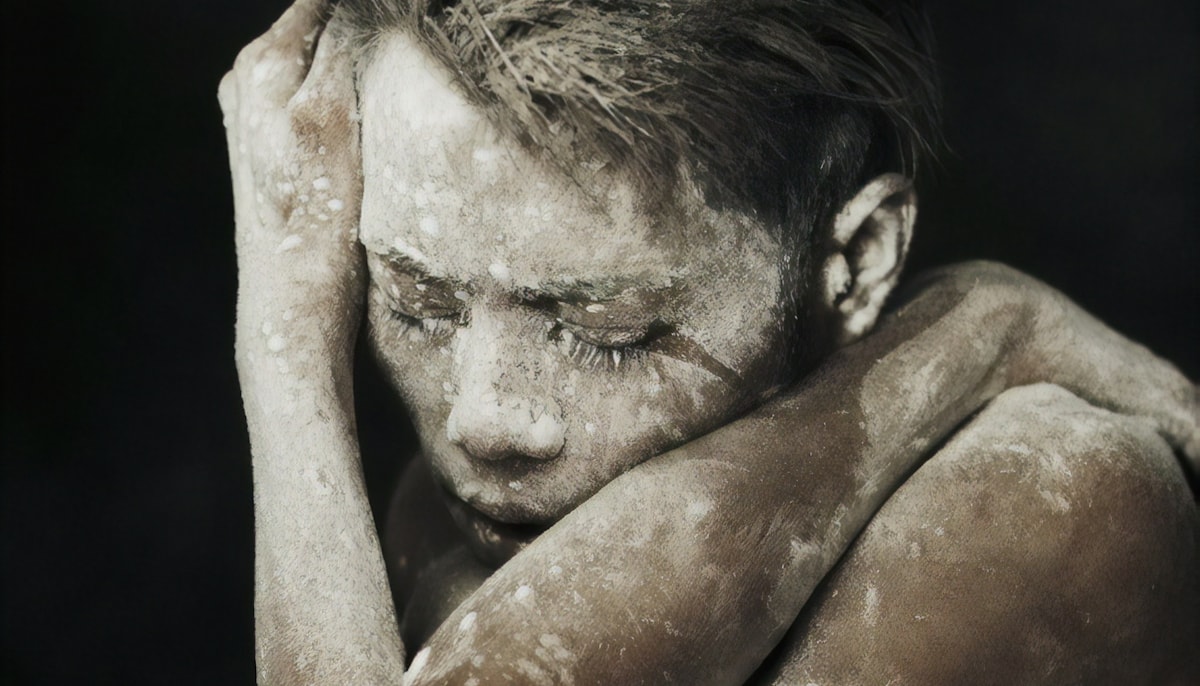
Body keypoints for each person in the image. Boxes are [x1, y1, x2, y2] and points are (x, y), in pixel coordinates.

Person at [220, 0, 1199, 683]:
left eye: (606, 331)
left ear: (854, 261)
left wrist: (287, 346)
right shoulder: (457, 510)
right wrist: (972, 330)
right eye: (416, 303)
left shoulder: (1050, 504)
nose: (483, 417)